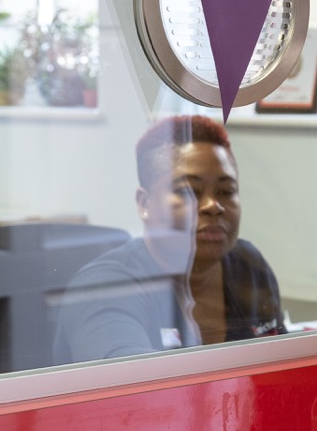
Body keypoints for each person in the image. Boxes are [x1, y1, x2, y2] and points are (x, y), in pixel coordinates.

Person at [55, 115, 285, 364]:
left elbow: (283, 364)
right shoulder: (105, 287)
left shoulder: (249, 265)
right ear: (145, 204)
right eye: (188, 191)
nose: (213, 206)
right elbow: (128, 379)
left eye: (226, 191)